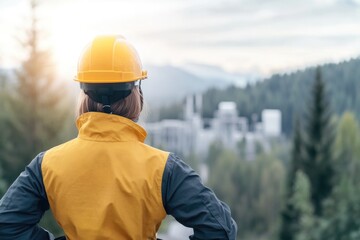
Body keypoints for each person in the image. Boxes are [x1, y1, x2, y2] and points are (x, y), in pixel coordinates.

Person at [0, 35, 237, 239]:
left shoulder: (47, 165)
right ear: (137, 94)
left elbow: (7, 225)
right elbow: (220, 230)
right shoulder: (163, 169)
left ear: (84, 95)